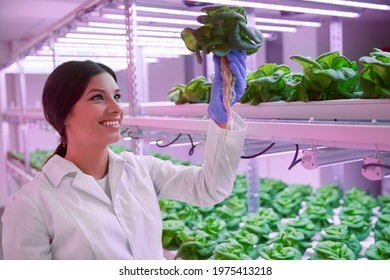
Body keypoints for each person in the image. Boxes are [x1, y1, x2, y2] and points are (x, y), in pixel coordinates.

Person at [1, 49, 247, 260]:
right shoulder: (29, 205)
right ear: (64, 113)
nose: (116, 107)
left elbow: (210, 188)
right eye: (98, 97)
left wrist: (221, 118)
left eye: (117, 96)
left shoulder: (140, 169)